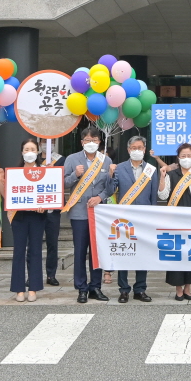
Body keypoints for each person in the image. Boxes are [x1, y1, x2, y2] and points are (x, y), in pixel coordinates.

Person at [63, 126, 114, 303]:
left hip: (99, 213)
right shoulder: (72, 159)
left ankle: (95, 287)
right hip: (79, 212)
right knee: (80, 251)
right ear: (81, 142)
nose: (91, 143)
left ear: (99, 142)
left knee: (97, 251)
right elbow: (62, 183)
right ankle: (82, 288)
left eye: (94, 140)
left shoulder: (106, 160)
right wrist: (75, 175)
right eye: (87, 140)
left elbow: (110, 187)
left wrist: (100, 197)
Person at [111, 134, 159, 303]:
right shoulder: (119, 168)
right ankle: (124, 290)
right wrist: (110, 174)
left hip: (144, 218)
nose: (137, 150)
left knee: (142, 254)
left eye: (140, 148)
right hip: (124, 219)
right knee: (124, 252)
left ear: (144, 150)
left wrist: (152, 218)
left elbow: (153, 197)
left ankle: (140, 289)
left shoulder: (151, 170)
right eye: (133, 148)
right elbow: (111, 190)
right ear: (128, 150)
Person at [2, 137, 48, 302]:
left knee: (35, 250)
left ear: (38, 152)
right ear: (22, 152)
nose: (30, 153)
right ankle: (19, 289)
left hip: (37, 216)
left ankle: (33, 288)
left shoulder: (45, 171)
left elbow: (50, 193)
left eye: (33, 150)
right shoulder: (15, 173)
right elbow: (7, 194)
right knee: (19, 251)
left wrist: (45, 205)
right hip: (19, 216)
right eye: (27, 150)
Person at [158, 142, 191, 301]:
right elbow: (163, 196)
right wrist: (162, 178)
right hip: (176, 222)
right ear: (178, 158)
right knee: (178, 254)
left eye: (189, 156)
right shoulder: (172, 175)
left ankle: (188, 288)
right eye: (183, 156)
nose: (186, 158)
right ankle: (178, 289)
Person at [38, 146, 67, 288]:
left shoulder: (61, 160)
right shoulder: (34, 159)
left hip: (53, 207)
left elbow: (64, 180)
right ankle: (33, 275)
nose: (47, 144)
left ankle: (51, 274)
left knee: (52, 243)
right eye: (43, 141)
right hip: (36, 208)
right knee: (34, 243)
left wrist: (53, 172)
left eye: (50, 141)